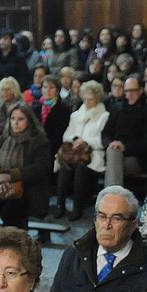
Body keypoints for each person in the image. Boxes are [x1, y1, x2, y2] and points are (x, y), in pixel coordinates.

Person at [0, 102, 52, 228]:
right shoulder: (1, 139)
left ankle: (15, 243)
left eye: (20, 119)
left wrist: (10, 176)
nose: (15, 123)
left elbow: (40, 169)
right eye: (12, 119)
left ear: (29, 121)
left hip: (28, 190)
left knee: (11, 210)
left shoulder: (39, 141)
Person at [55, 81, 108, 221]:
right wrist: (76, 139)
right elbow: (66, 135)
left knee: (81, 168)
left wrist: (85, 142)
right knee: (64, 166)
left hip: (92, 154)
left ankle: (77, 207)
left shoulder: (104, 116)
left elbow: (101, 141)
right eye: (84, 98)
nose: (87, 101)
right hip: (74, 153)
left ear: (97, 98)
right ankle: (60, 205)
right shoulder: (76, 115)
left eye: (90, 99)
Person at [102, 77, 147, 189]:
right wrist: (112, 144)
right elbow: (105, 134)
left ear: (141, 90)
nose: (129, 94)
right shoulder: (116, 109)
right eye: (127, 91)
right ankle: (114, 196)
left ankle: (111, 196)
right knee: (114, 151)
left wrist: (125, 147)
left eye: (133, 90)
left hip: (137, 158)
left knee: (114, 154)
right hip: (114, 152)